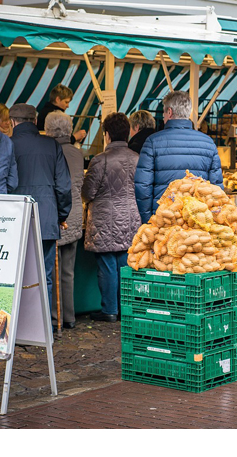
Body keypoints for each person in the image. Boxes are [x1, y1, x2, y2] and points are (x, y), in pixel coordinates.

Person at [9, 103, 72, 330]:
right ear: (35, 121)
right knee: (44, 276)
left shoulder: (6, 145)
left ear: (12, 122)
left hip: (12, 220)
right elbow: (64, 187)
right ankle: (41, 328)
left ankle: (16, 328)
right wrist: (60, 215)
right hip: (45, 218)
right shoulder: (51, 145)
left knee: (14, 275)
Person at [82, 113, 141, 322]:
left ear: (106, 135)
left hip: (104, 221)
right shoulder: (137, 159)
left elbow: (87, 192)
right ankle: (126, 308)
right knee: (126, 264)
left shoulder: (100, 161)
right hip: (131, 220)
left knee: (107, 266)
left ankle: (109, 310)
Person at [134, 91, 223, 223]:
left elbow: (142, 187)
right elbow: (216, 190)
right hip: (197, 221)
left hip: (163, 219)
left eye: (164, 113)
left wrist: (149, 220)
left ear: (169, 112)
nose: (163, 117)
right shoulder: (208, 143)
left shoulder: (152, 142)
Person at [45, 111, 83, 330]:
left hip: (57, 216)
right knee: (68, 271)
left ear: (48, 130)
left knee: (51, 270)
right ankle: (69, 316)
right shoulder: (77, 154)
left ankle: (54, 316)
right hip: (75, 215)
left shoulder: (49, 152)